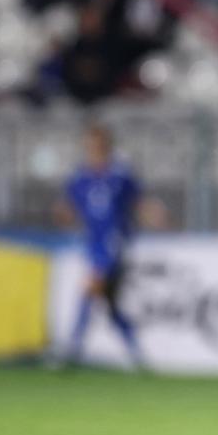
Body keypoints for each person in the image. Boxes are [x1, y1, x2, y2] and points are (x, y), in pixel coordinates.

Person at [56, 124, 163, 368]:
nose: (93, 149)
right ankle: (137, 354)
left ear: (106, 145)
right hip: (92, 244)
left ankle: (72, 350)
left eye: (98, 144)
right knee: (111, 306)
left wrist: (152, 213)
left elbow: (139, 200)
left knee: (91, 288)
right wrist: (63, 214)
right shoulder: (80, 176)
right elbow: (69, 207)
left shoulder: (120, 174)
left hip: (114, 242)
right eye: (90, 144)